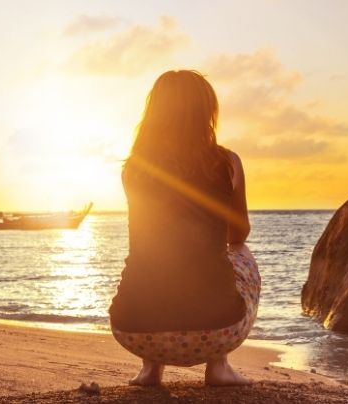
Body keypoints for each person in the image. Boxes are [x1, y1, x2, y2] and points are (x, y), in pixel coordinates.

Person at [109, 70, 260, 386]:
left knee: (151, 255)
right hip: (217, 330)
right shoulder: (227, 162)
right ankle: (218, 367)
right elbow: (239, 234)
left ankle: (151, 369)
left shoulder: (134, 168)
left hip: (132, 329)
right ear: (206, 114)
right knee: (238, 252)